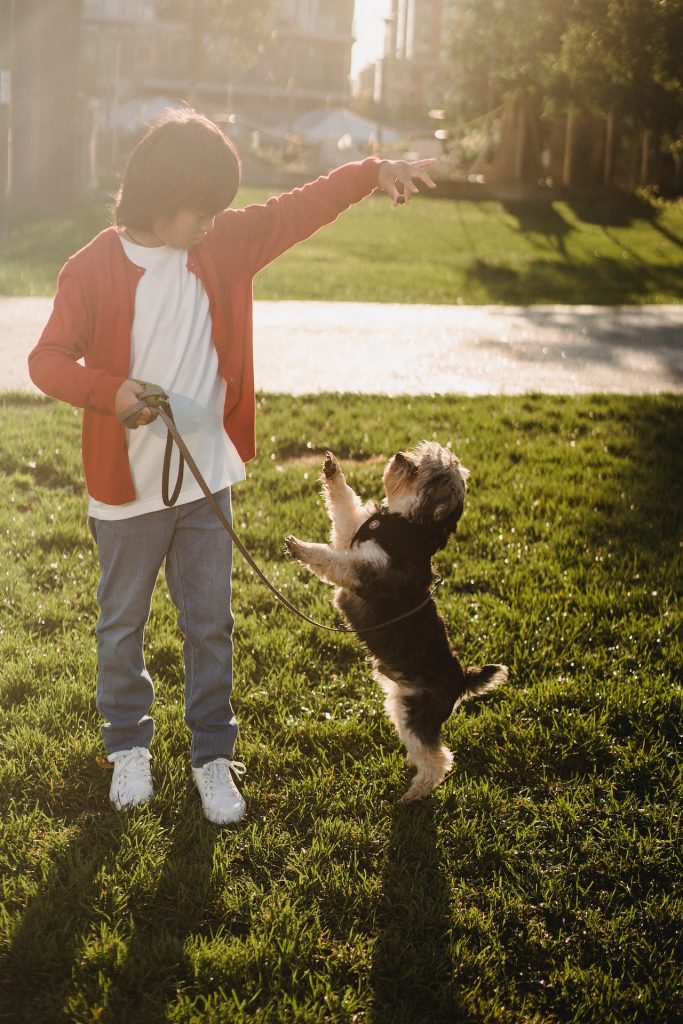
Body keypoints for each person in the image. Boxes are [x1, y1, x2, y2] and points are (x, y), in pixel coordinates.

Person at [28, 108, 437, 825]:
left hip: (204, 480)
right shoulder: (91, 267)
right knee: (121, 625)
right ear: (160, 194)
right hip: (125, 494)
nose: (211, 223)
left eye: (220, 209)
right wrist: (111, 391)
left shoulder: (224, 246)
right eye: (201, 208)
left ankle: (213, 755)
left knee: (209, 624)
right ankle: (128, 746)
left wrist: (372, 172)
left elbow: (302, 206)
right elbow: (46, 362)